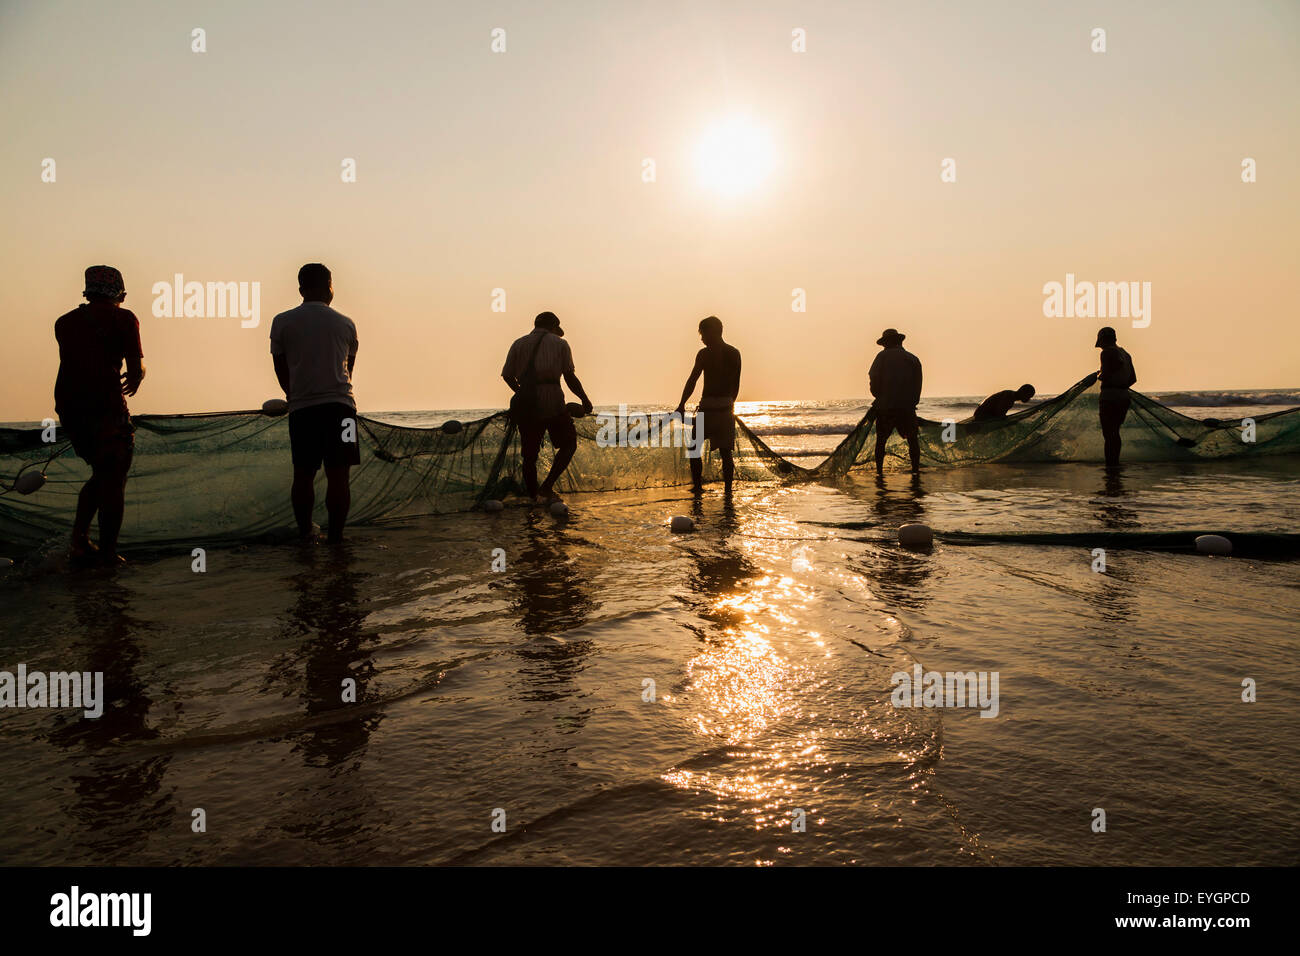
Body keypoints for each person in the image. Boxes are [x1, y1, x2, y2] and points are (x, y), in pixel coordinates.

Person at [54, 265, 145, 565]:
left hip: (70, 409)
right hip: (106, 407)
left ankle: (79, 540)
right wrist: (139, 374)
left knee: (102, 473)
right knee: (115, 477)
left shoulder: (64, 323)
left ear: (88, 292)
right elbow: (134, 369)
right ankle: (106, 553)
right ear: (120, 294)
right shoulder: (124, 318)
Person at [269, 263, 359, 543]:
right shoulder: (345, 323)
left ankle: (306, 533)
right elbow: (349, 369)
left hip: (302, 409)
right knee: (339, 476)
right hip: (342, 409)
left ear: (301, 289)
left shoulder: (282, 321)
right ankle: (336, 537)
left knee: (304, 474)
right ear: (329, 286)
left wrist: (292, 394)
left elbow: (280, 366)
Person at [501, 311, 593, 503]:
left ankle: (533, 497)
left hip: (525, 404)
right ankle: (547, 487)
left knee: (529, 455)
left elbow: (507, 375)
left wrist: (521, 391)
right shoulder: (560, 344)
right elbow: (569, 377)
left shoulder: (518, 343)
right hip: (552, 400)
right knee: (568, 443)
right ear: (554, 326)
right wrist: (585, 400)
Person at [675, 316, 742, 494]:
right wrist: (729, 405)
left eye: (703, 333)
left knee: (694, 448)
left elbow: (692, 381)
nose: (702, 338)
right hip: (726, 409)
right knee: (726, 453)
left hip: (708, 409)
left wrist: (681, 404)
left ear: (714, 332)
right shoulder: (734, 353)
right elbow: (736, 386)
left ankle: (698, 488)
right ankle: (728, 491)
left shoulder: (704, 354)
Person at [868, 328, 923, 473]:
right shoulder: (912, 359)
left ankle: (879, 472)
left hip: (885, 407)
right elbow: (918, 385)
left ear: (886, 343)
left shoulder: (882, 357)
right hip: (907, 408)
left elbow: (873, 379)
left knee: (881, 441)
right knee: (912, 441)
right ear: (899, 341)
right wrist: (911, 403)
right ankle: (915, 470)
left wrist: (879, 396)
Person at [1094, 326, 1137, 468]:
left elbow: (1107, 372)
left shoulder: (1107, 353)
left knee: (1109, 433)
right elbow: (1133, 379)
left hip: (1110, 397)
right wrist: (1121, 384)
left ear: (1103, 340)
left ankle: (1111, 466)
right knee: (1115, 432)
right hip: (1124, 397)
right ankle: (1115, 463)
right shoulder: (1125, 353)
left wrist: (1099, 375)